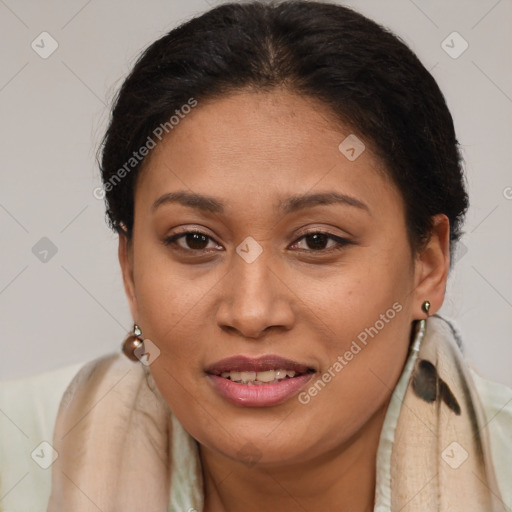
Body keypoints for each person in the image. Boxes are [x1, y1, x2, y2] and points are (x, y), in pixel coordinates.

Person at [1, 1, 511, 511]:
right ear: (130, 268)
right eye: (195, 240)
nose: (250, 313)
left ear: (428, 264)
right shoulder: (20, 456)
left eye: (317, 241)